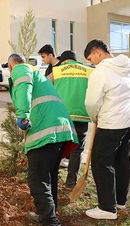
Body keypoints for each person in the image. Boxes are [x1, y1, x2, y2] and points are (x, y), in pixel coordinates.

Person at [7, 53, 78, 226]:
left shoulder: (21, 68)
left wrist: (22, 115)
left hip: (46, 130)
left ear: (11, 66)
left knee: (37, 179)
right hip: (59, 128)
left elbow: (23, 87)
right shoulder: (37, 73)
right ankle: (48, 213)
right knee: (49, 176)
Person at [83, 39, 130, 220]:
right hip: (129, 122)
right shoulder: (129, 65)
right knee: (122, 161)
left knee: (100, 163)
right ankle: (120, 200)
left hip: (111, 124)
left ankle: (107, 208)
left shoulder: (101, 72)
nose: (92, 63)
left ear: (98, 52)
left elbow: (91, 102)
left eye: (91, 59)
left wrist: (94, 117)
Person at [50, 50, 93, 188]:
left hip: (61, 116)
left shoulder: (56, 71)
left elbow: (45, 88)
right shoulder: (89, 71)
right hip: (81, 117)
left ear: (63, 61)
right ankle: (71, 182)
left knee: (57, 148)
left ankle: (53, 178)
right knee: (77, 150)